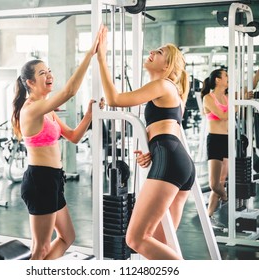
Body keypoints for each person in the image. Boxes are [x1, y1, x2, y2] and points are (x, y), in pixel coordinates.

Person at [97, 25, 195, 260]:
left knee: (135, 239)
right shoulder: (172, 92)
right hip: (177, 160)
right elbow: (170, 132)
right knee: (160, 246)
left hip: (170, 161)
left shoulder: (163, 85)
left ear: (167, 65)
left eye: (159, 51)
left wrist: (101, 58)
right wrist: (153, 152)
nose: (152, 51)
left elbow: (114, 99)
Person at [11, 26, 103, 260]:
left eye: (49, 71)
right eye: (42, 73)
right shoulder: (31, 109)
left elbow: (73, 137)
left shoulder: (48, 110)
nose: (49, 75)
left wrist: (89, 116)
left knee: (67, 237)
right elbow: (71, 91)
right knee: (40, 249)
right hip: (40, 180)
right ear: (30, 83)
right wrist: (89, 54)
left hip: (53, 180)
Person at [200, 68, 229, 229]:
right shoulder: (208, 98)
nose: (228, 78)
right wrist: (236, 106)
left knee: (221, 181)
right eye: (226, 76)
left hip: (228, 140)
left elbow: (250, 87)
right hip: (215, 140)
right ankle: (225, 197)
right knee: (214, 184)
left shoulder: (228, 97)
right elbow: (223, 115)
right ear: (218, 80)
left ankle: (208, 216)